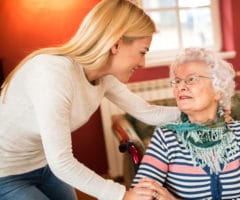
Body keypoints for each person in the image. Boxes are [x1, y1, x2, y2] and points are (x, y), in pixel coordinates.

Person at [0, 0, 182, 199]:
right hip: (6, 172)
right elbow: (62, 162)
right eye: (142, 52)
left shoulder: (104, 76)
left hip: (44, 164)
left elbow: (148, 113)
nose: (143, 63)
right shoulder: (52, 73)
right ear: (116, 44)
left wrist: (206, 111)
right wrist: (122, 195)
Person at [132, 48, 240, 199]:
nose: (180, 87)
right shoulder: (165, 137)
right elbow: (139, 196)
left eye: (191, 79)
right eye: (177, 81)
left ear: (218, 90)